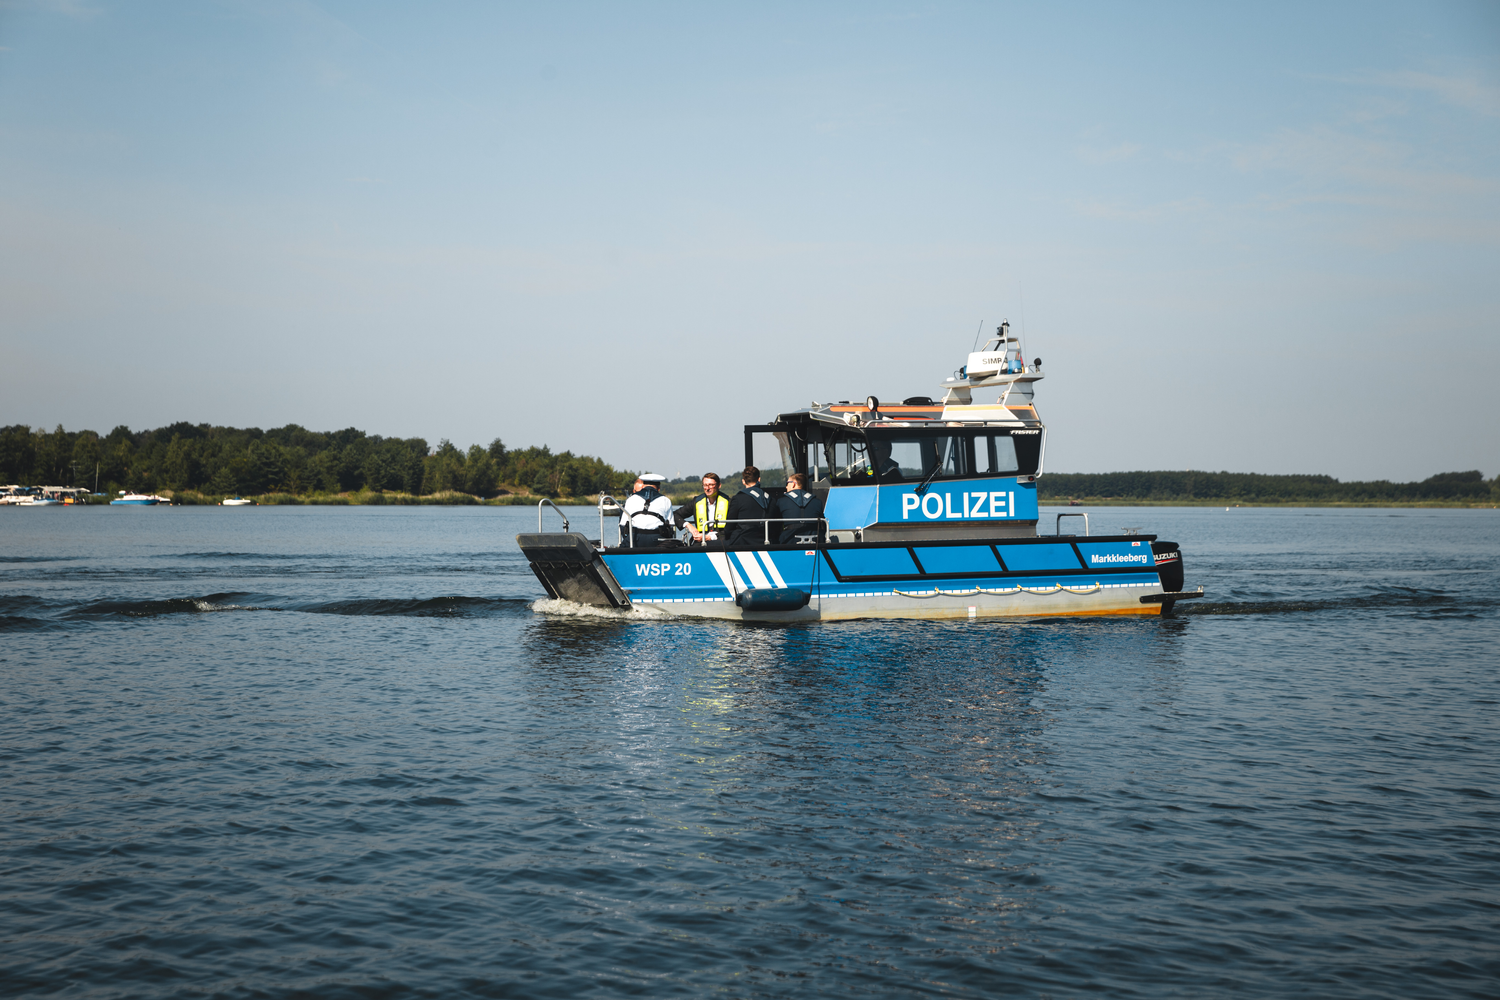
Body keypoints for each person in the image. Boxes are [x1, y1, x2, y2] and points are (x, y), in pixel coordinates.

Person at [619, 473, 674, 548]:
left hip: (634, 538)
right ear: (658, 488)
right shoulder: (665, 500)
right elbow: (671, 525)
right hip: (657, 539)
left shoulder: (631, 499)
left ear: (643, 485)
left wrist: (628, 539)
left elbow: (622, 525)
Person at [726, 465, 775, 547]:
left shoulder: (738, 499)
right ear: (759, 479)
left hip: (742, 541)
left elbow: (729, 526)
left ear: (743, 481)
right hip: (766, 540)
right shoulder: (770, 499)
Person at [674, 473, 729, 545]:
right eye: (705, 485)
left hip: (721, 541)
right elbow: (675, 514)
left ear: (719, 485)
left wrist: (709, 537)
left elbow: (732, 529)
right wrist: (689, 526)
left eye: (711, 485)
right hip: (700, 542)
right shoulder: (697, 502)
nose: (707, 488)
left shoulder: (729, 502)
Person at [776, 472, 825, 544]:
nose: (786, 486)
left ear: (793, 484)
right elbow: (823, 525)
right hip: (815, 539)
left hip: (789, 539)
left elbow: (775, 526)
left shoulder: (782, 501)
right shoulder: (817, 501)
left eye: (787, 483)